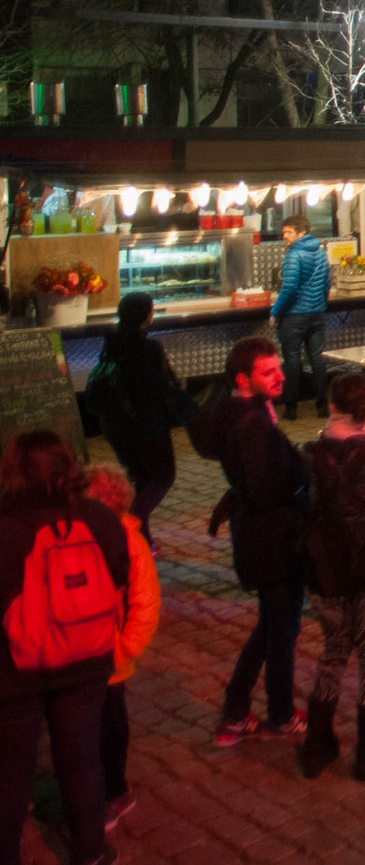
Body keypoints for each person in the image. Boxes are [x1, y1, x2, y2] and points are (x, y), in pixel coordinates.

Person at [0, 431, 129, 865]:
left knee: (10, 771)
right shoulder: (97, 517)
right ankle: (89, 850)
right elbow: (119, 574)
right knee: (80, 758)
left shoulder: (5, 525)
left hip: (16, 666)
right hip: (84, 656)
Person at [187, 335, 310, 747]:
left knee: (273, 626)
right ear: (243, 379)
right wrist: (300, 480)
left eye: (279, 368)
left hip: (261, 536)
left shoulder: (248, 410)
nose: (279, 376)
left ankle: (236, 712)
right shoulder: (251, 425)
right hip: (271, 539)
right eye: (268, 372)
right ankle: (276, 713)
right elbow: (264, 488)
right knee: (281, 629)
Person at [295, 374, 365, 780]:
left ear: (331, 407)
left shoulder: (308, 455)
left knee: (334, 648)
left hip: (324, 569)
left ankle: (317, 745)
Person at [78, 464, 156, 835]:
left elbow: (145, 603)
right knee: (83, 730)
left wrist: (126, 649)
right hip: (77, 654)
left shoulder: (129, 541)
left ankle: (113, 793)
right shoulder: (71, 536)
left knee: (109, 728)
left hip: (110, 659)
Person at [84, 293, 191, 550]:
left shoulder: (111, 343)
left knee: (139, 478)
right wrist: (178, 388)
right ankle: (132, 524)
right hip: (145, 423)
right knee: (163, 476)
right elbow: (156, 388)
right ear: (146, 314)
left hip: (114, 423)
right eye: (151, 310)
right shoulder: (149, 347)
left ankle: (139, 537)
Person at [270, 213, 330, 420]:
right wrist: (321, 304)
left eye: (288, 232)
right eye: (283, 232)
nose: (284, 236)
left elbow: (289, 288)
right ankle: (323, 406)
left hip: (295, 316)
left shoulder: (294, 255)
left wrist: (275, 311)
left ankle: (291, 408)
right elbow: (326, 283)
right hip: (317, 314)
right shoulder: (320, 252)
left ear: (301, 233)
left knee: (292, 360)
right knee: (317, 359)